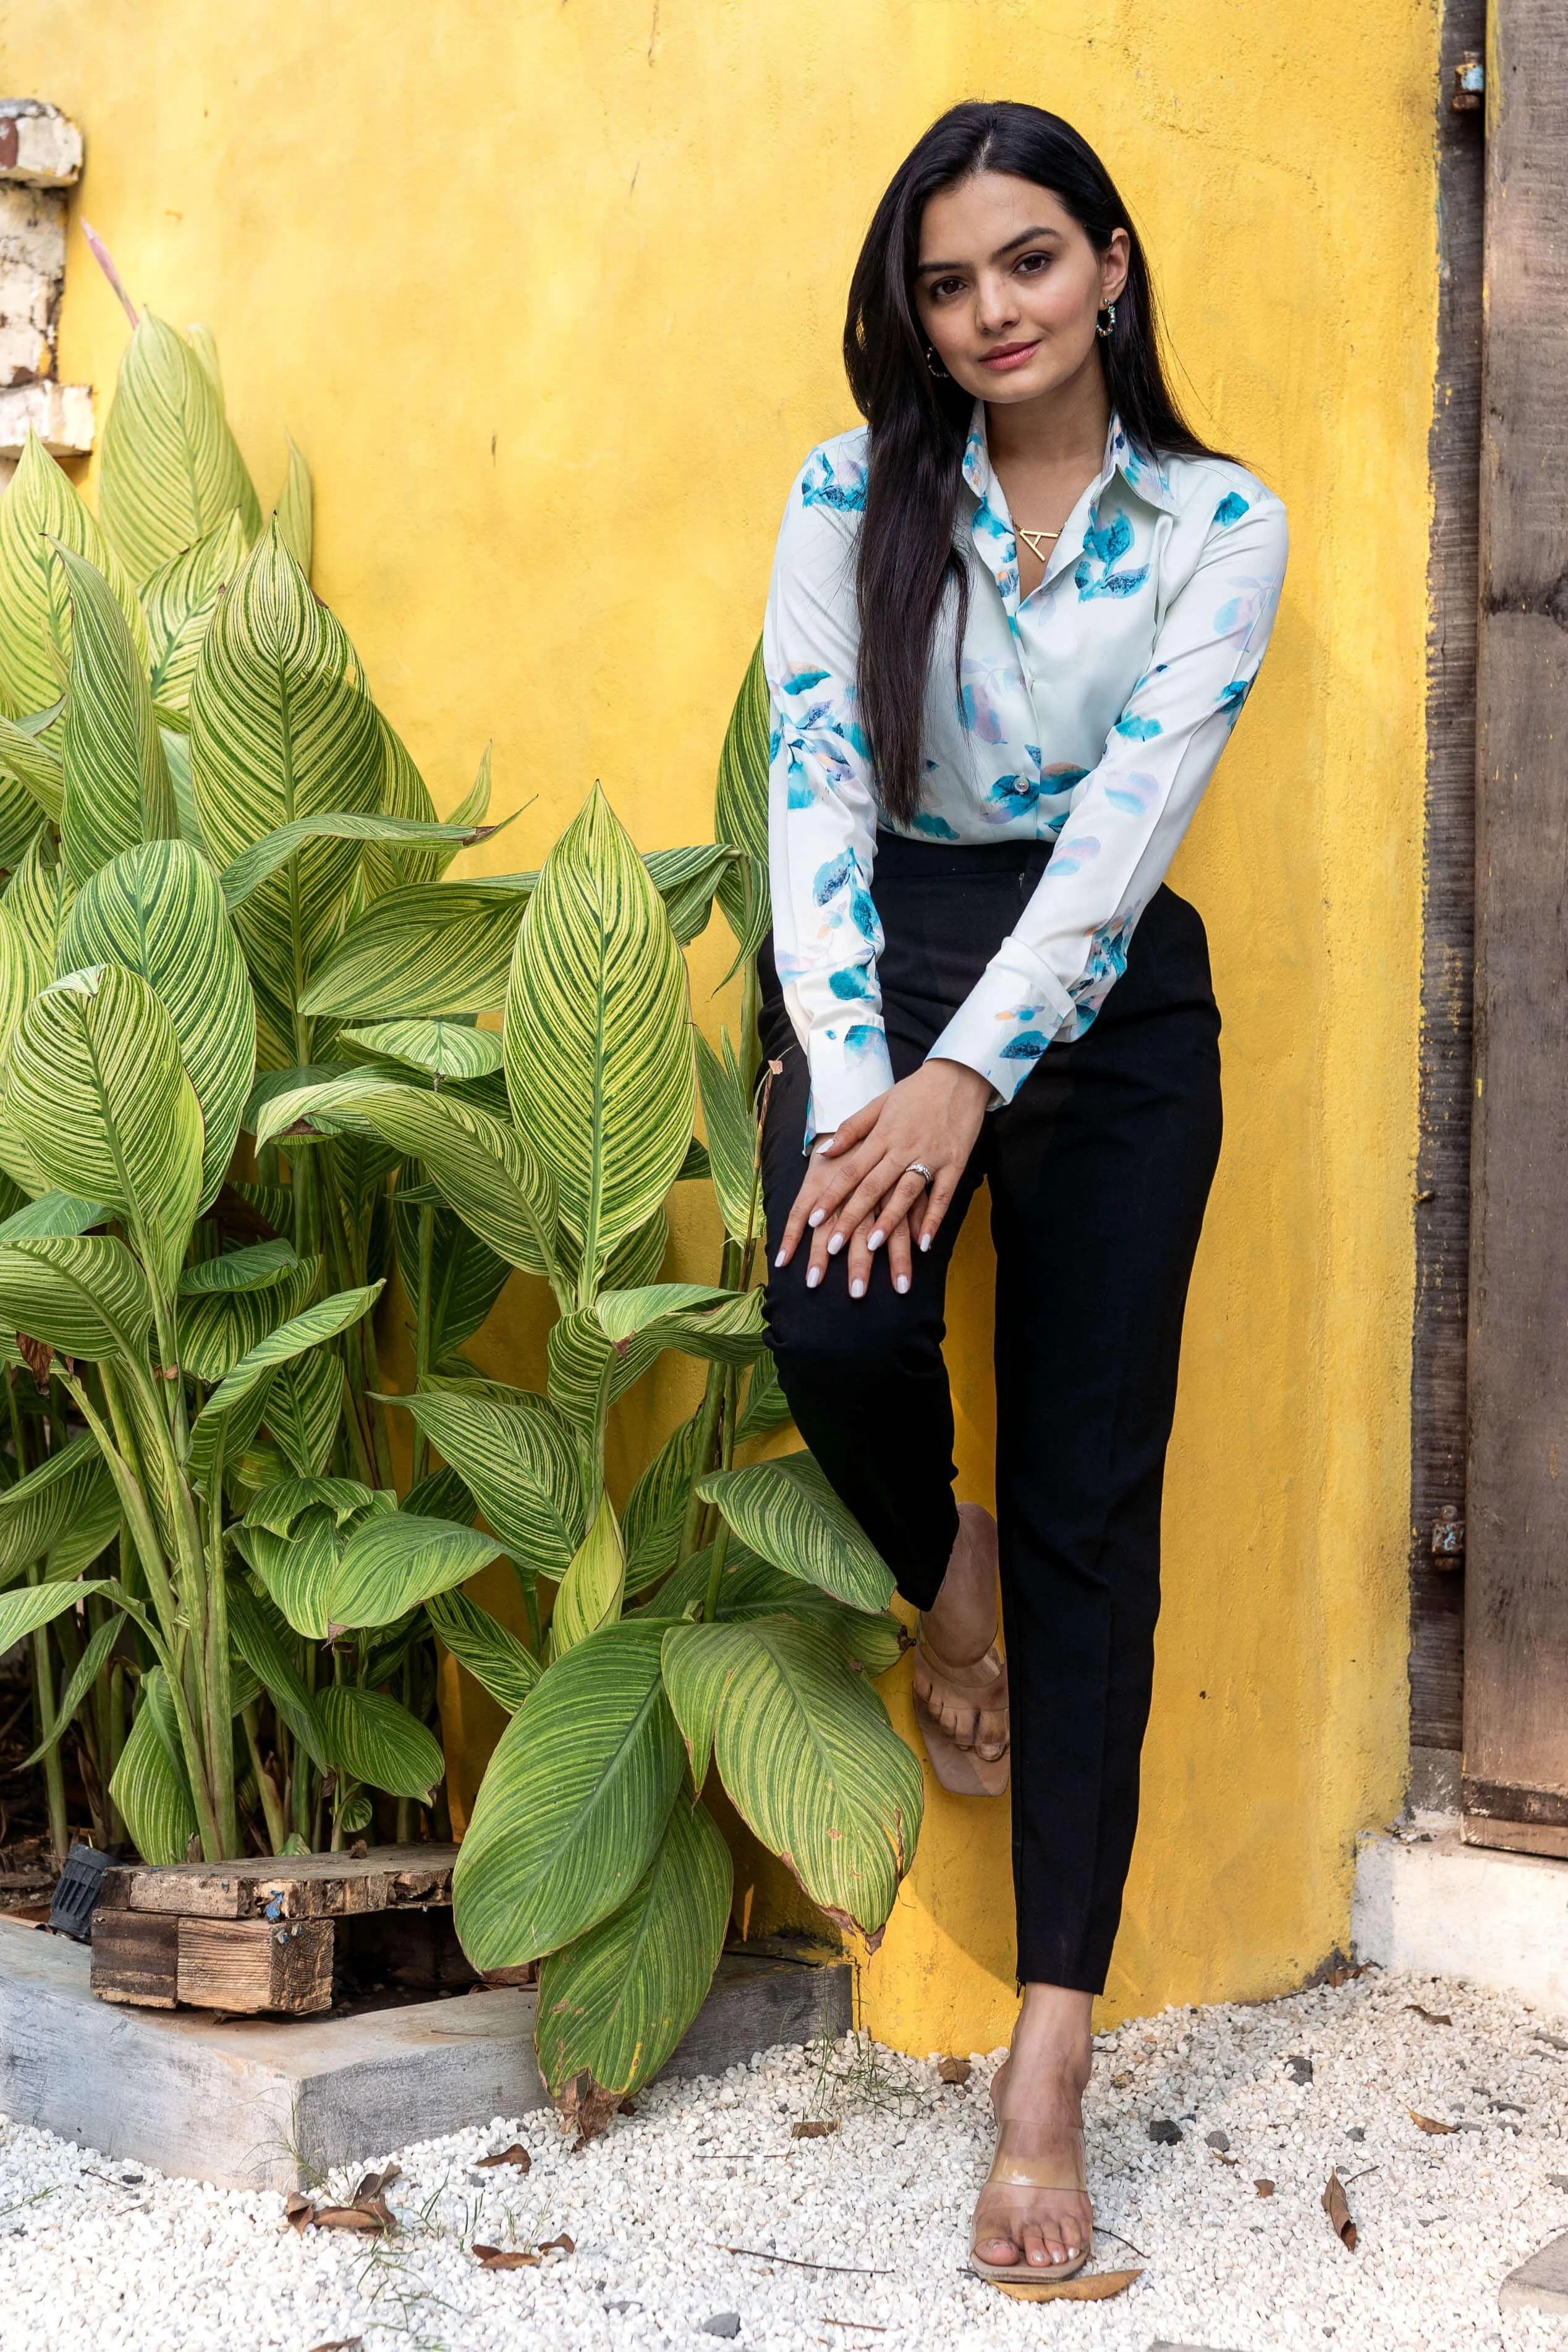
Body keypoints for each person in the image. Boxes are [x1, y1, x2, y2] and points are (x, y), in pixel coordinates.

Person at [758, 100, 1287, 2286]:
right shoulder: (847, 492)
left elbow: (1127, 824)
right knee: (838, 1322)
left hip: (1109, 1008)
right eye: (951, 279)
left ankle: (1048, 2058)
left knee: (1095, 1500)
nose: (989, 312)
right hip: (889, 957)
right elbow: (814, 780)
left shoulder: (1216, 520)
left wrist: (989, 1073)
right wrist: (875, 1076)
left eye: (1030, 265)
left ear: (1113, 269)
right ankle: (943, 1585)